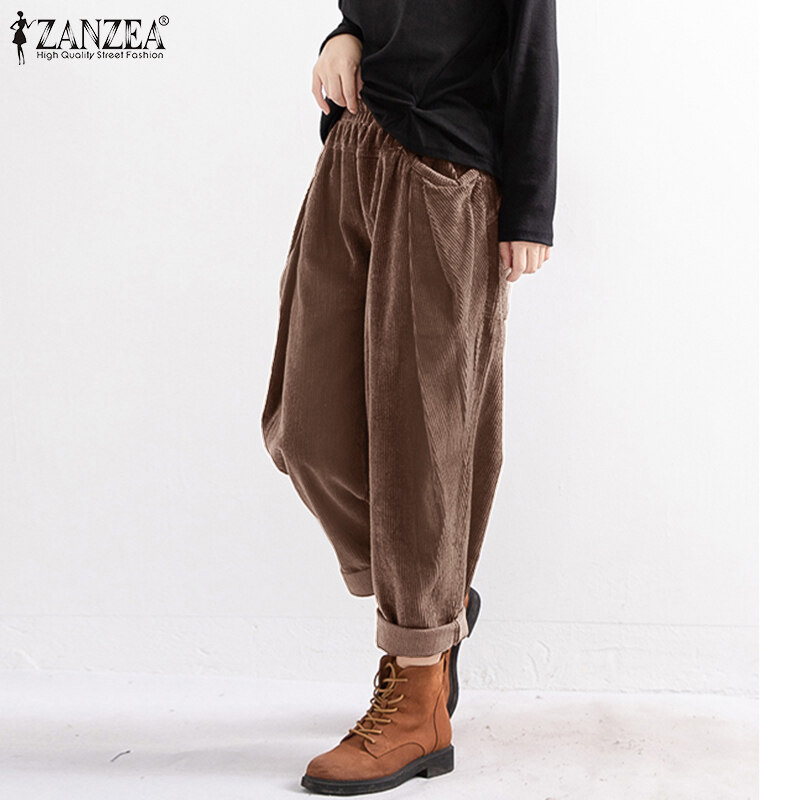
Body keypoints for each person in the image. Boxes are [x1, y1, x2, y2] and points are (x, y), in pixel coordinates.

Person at [260, 0, 558, 793]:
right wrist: (343, 34)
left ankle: (419, 693)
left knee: (422, 445)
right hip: (353, 152)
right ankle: (435, 594)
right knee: (302, 428)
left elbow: (531, 43)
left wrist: (530, 207)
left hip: (443, 174)